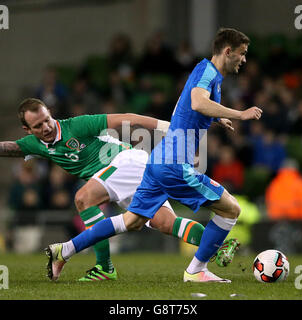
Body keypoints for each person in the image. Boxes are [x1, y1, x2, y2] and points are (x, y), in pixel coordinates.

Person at [49, 27, 262, 283]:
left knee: (132, 220)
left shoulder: (205, 71)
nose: (244, 59)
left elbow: (184, 104)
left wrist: (216, 117)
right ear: (228, 51)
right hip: (174, 164)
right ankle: (196, 270)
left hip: (159, 160)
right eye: (242, 53)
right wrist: (238, 114)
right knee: (230, 209)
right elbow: (196, 102)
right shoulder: (208, 72)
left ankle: (65, 249)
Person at [0, 98, 236, 281]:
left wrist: (168, 126)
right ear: (28, 131)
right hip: (122, 179)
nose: (46, 127)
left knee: (83, 197)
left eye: (47, 119)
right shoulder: (34, 146)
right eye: (38, 126)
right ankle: (217, 245)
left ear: (51, 114)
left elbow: (129, 119)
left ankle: (103, 267)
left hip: (127, 162)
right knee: (163, 223)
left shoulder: (77, 125)